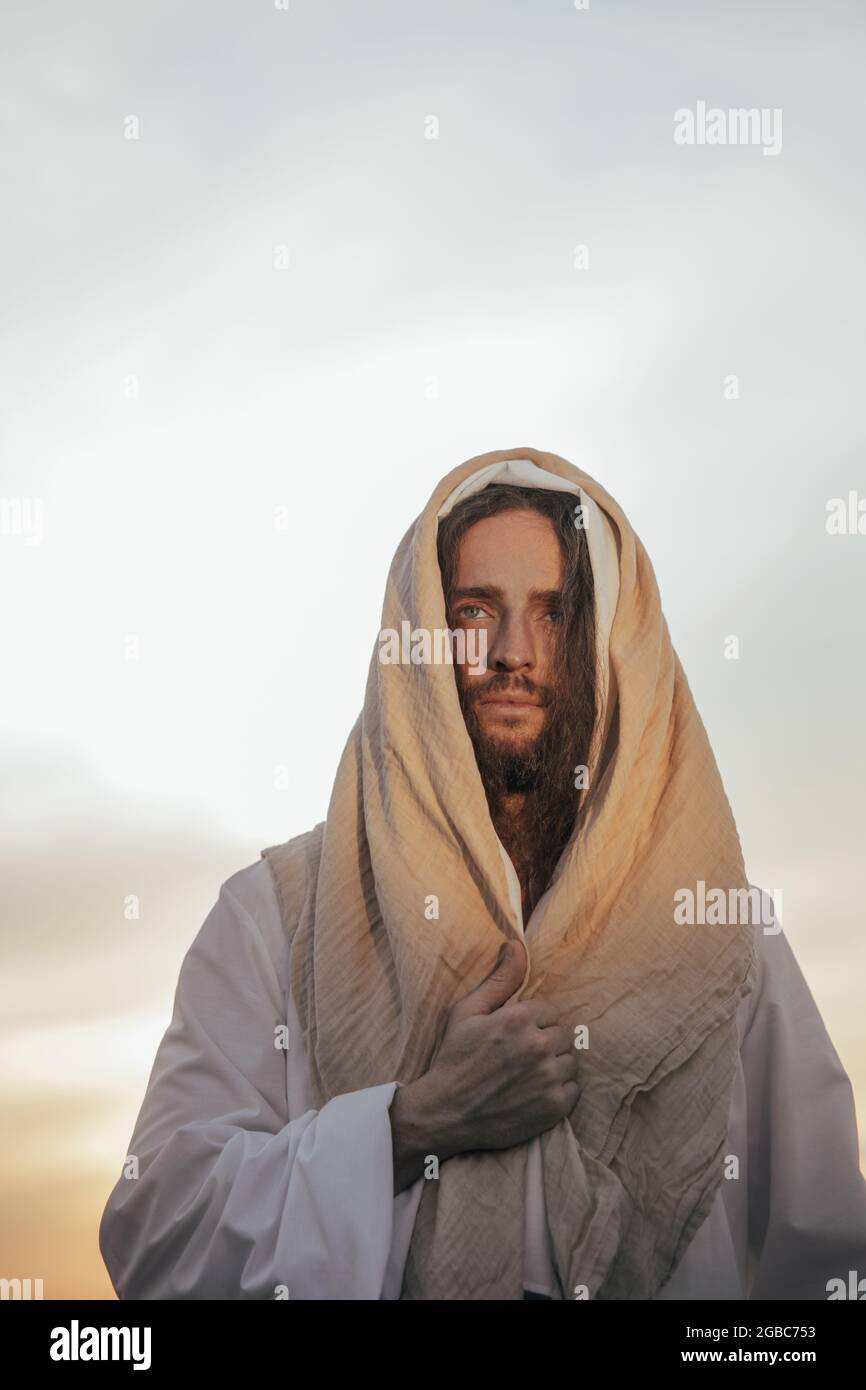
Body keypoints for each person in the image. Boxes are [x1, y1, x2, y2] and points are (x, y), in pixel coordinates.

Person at [99, 447, 866, 1300]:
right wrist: (411, 1124)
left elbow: (826, 1263)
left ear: (607, 645)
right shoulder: (276, 919)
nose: (511, 652)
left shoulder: (723, 940)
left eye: (552, 614)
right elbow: (160, 1240)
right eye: (474, 610)